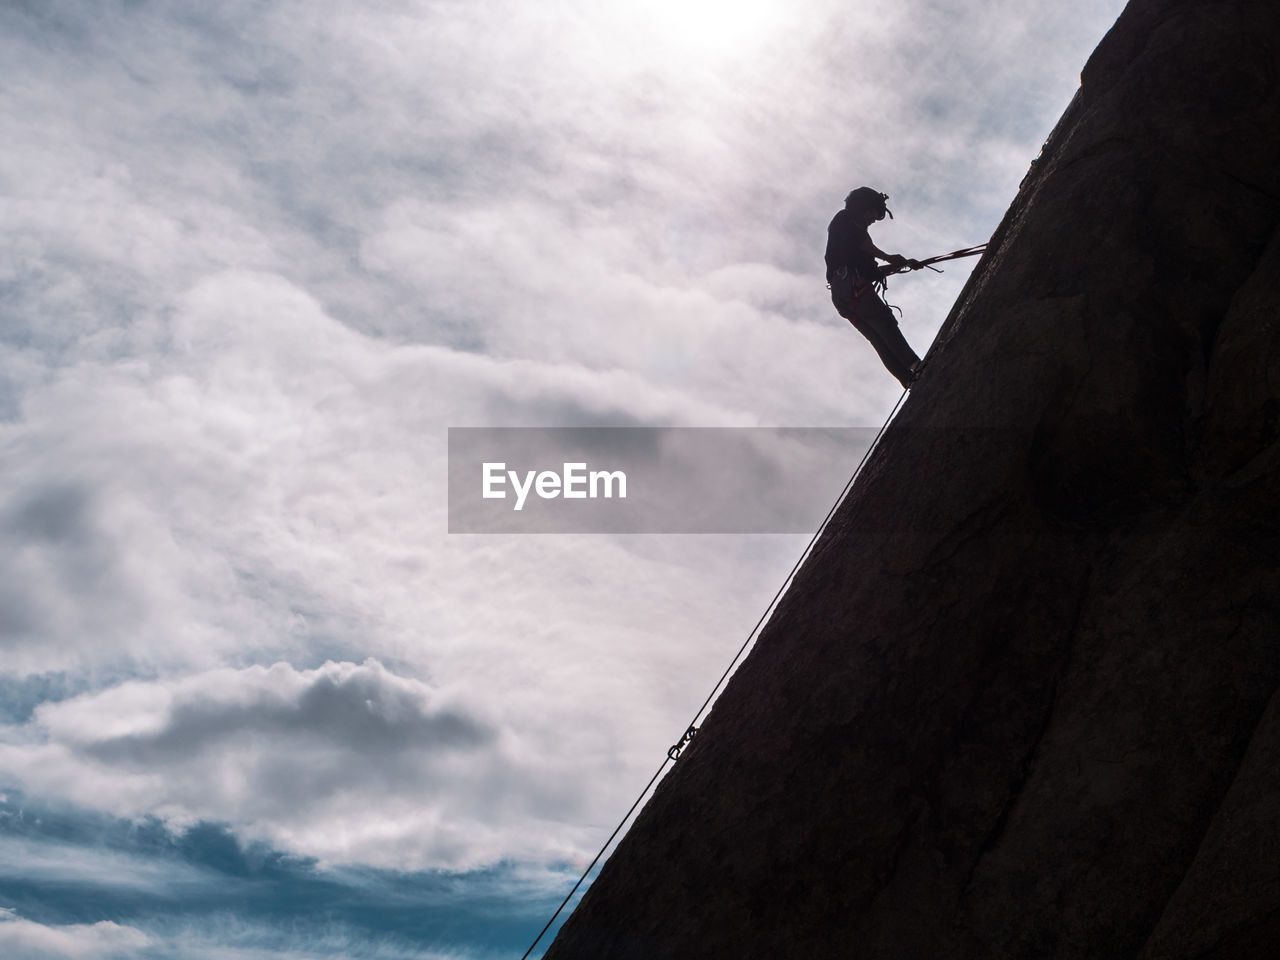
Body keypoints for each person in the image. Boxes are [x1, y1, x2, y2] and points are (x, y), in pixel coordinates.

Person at [826, 187, 925, 389]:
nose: (873, 219)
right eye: (873, 212)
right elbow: (862, 245)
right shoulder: (845, 220)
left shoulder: (847, 234)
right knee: (884, 322)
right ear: (862, 206)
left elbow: (870, 270)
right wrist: (890, 257)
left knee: (877, 337)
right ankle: (915, 365)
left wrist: (901, 264)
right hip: (850, 283)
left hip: (842, 293)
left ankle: (907, 379)